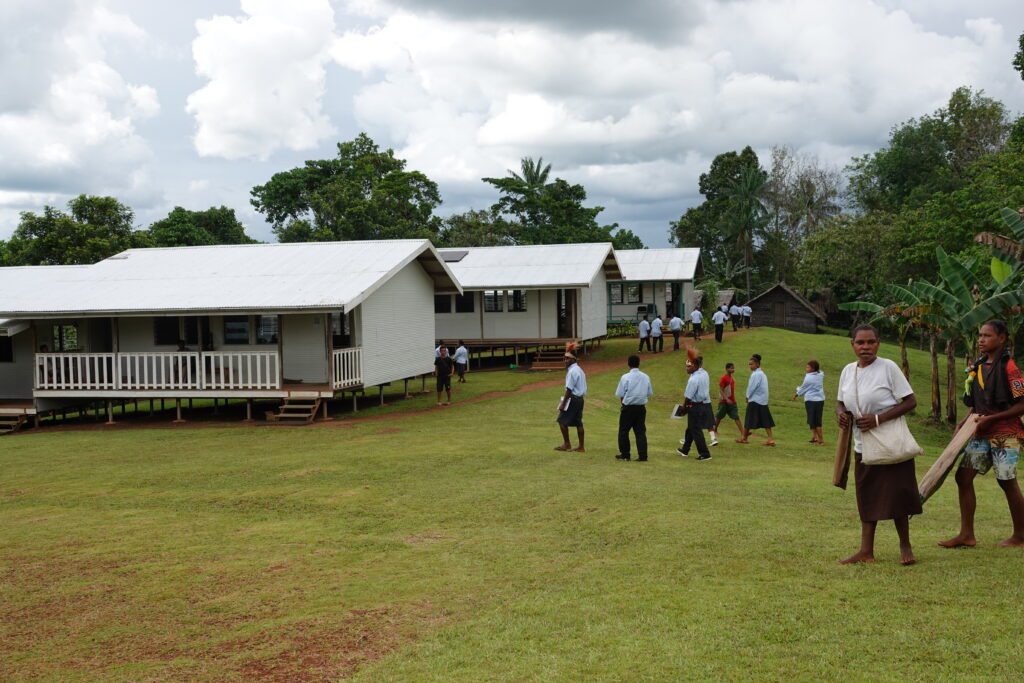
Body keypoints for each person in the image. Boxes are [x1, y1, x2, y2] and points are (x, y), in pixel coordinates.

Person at [836, 324, 921, 565]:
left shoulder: (888, 368)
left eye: (870, 342)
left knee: (898, 495)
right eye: (860, 342)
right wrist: (841, 413)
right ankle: (866, 550)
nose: (865, 347)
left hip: (890, 443)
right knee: (866, 495)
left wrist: (878, 419)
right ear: (852, 344)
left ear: (878, 343)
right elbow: (840, 402)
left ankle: (905, 546)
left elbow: (910, 401)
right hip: (862, 445)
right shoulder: (847, 371)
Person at [939, 320, 1024, 549]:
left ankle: (1021, 535)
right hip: (980, 431)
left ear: (1002, 338)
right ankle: (966, 535)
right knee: (963, 477)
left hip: (1006, 432)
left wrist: (992, 419)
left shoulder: (1010, 367)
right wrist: (965, 421)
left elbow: (1022, 404)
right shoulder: (977, 365)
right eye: (980, 335)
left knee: (1006, 480)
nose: (981, 340)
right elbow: (978, 402)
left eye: (987, 335)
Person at [615, 355, 654, 461]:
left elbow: (621, 394)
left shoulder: (625, 377)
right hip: (641, 408)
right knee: (640, 432)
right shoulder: (646, 377)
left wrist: (624, 405)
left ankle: (625, 454)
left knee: (623, 431)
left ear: (628, 364)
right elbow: (649, 392)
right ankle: (643, 455)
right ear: (639, 363)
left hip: (628, 407)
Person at [678, 349, 712, 461]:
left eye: (689, 366)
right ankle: (685, 449)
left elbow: (688, 396)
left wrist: (684, 407)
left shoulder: (694, 379)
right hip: (703, 404)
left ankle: (705, 453)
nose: (687, 368)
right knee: (691, 428)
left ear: (696, 366)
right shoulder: (704, 373)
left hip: (695, 405)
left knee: (696, 429)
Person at [736, 354, 776, 446]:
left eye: (752, 364)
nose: (750, 366)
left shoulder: (756, 374)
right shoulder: (762, 374)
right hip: (763, 400)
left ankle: (744, 438)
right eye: (749, 364)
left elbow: (752, 387)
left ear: (757, 364)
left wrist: (747, 396)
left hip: (755, 399)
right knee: (766, 420)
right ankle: (770, 439)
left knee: (748, 419)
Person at [556, 344, 587, 453]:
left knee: (561, 421)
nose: (565, 360)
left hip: (573, 399)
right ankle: (581, 447)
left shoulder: (572, 371)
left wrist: (563, 404)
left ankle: (567, 444)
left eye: (568, 358)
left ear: (573, 359)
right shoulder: (580, 370)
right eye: (564, 358)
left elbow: (569, 390)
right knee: (579, 423)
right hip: (580, 399)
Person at [794, 360, 826, 445]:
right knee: (815, 420)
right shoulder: (820, 375)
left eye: (808, 367)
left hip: (811, 401)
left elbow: (803, 388)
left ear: (813, 369)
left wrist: (796, 394)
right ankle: (814, 437)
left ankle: (820, 440)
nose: (806, 368)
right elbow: (820, 371)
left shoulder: (809, 378)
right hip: (820, 400)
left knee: (814, 421)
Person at [715, 362, 744, 438]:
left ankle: (743, 433)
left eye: (733, 368)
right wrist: (726, 399)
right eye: (731, 368)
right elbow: (721, 390)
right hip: (724, 402)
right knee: (719, 416)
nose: (733, 369)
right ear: (727, 369)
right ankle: (714, 430)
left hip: (732, 402)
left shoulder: (731, 378)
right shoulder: (724, 378)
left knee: (736, 416)